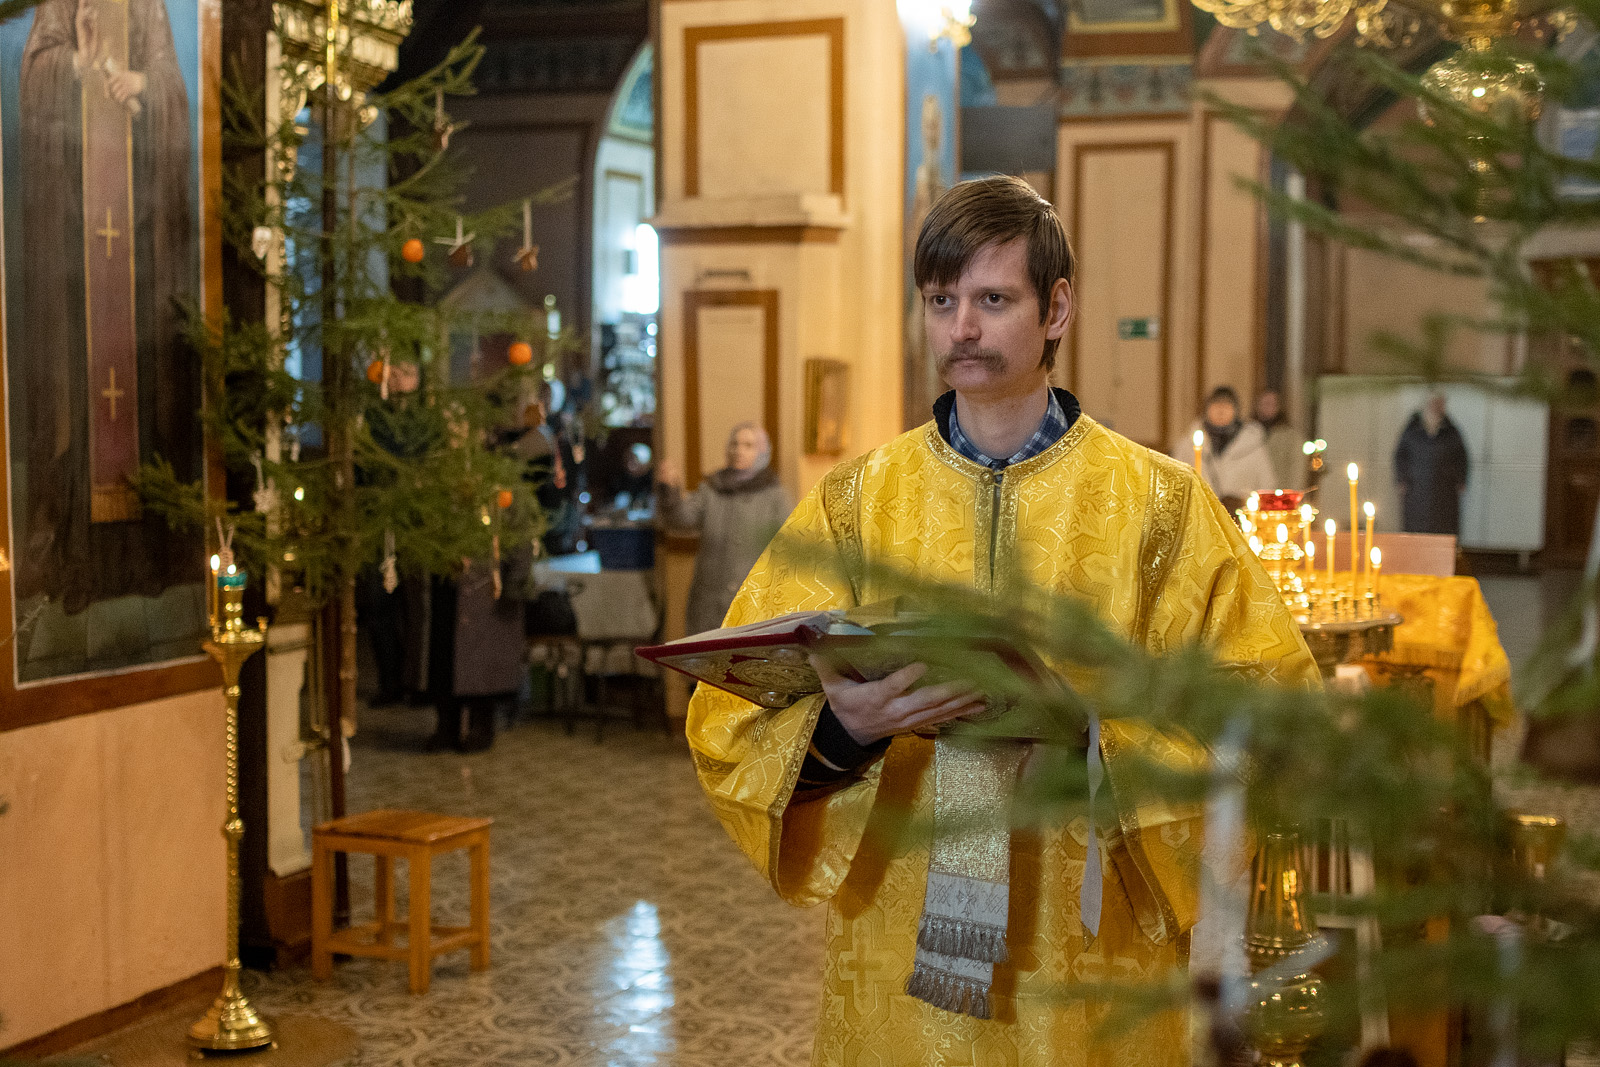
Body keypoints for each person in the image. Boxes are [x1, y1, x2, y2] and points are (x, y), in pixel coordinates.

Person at [686, 176, 1317, 1065]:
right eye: (941, 301)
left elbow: (1274, 715)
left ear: (1056, 308)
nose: (962, 329)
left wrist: (1095, 737)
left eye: (992, 299)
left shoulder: (1161, 505)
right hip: (897, 964)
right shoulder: (858, 500)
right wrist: (842, 731)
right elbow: (728, 721)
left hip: (1092, 976)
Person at [657, 423, 793, 636]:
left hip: (754, 604)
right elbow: (681, 520)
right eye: (734, 444)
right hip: (709, 603)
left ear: (762, 452)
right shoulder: (711, 489)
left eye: (748, 445)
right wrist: (670, 490)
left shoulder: (775, 497)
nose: (738, 450)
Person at [1173, 385, 1277, 510]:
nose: (1221, 411)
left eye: (1226, 406)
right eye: (1216, 406)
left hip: (1241, 513)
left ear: (1236, 410)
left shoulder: (1252, 445)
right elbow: (1177, 481)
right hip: (1202, 513)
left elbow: (1267, 485)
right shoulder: (1189, 444)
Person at [1394, 391, 1470, 535]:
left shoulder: (1451, 430)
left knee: (1443, 529)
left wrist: (1461, 480)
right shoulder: (1412, 429)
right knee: (1416, 529)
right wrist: (1401, 479)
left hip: (1445, 491)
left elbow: (1462, 457)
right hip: (1416, 490)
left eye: (1440, 403)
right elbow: (1400, 455)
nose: (1437, 407)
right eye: (1434, 403)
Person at [1255, 388, 1303, 491]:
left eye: (1272, 404)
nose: (1267, 407)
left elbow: (1297, 468)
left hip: (1279, 491)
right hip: (1254, 492)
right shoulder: (1249, 433)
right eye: (1264, 403)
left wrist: (1291, 493)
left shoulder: (1290, 436)